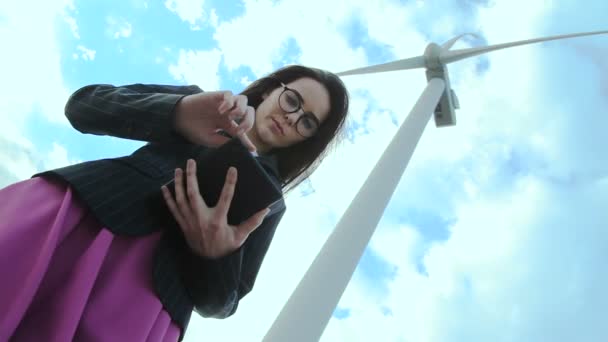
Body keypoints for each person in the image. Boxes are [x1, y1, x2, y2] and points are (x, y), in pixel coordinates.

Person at [0, 65, 349, 341]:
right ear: (273, 88)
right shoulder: (202, 103)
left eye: (306, 122)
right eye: (293, 100)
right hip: (76, 221)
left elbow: (224, 304)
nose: (292, 117)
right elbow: (83, 106)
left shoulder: (270, 206)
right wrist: (177, 113)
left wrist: (216, 256)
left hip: (145, 299)